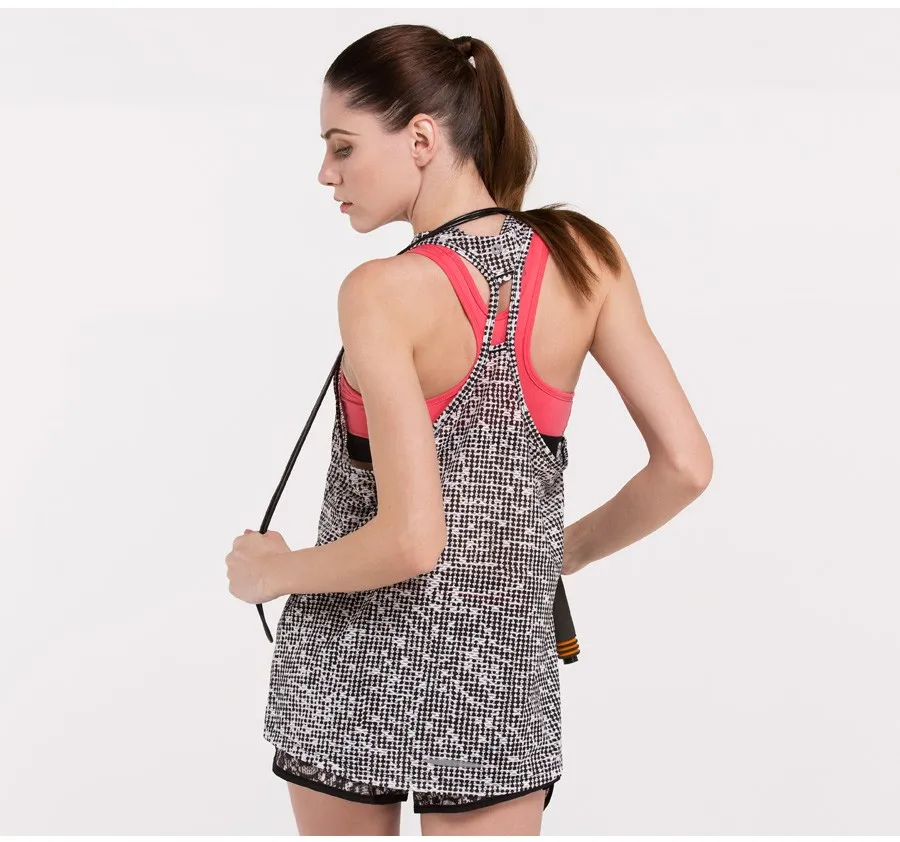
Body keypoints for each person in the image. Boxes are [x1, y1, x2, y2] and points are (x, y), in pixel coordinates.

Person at [261, 23, 713, 837]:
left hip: (345, 674)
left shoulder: (381, 290)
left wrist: (275, 572)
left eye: (342, 146)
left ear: (421, 139)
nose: (327, 173)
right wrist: (557, 552)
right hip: (498, 684)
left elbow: (411, 540)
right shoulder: (586, 259)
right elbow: (684, 466)